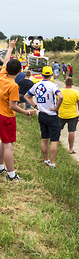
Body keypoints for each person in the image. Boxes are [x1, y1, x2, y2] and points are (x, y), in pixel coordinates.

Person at [0, 40, 36, 181]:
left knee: (2, 142)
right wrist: (27, 112)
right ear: (20, 71)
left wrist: (10, 48)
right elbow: (13, 106)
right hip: (7, 117)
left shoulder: (2, 76)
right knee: (8, 145)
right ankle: (12, 175)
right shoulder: (13, 86)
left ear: (7, 69)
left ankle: (1, 167)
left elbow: (6, 62)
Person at [24, 66, 63, 169]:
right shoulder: (53, 85)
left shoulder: (36, 85)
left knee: (44, 138)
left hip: (41, 114)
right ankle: (52, 163)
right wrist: (56, 107)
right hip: (52, 115)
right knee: (54, 140)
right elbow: (61, 96)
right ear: (51, 75)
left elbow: (26, 96)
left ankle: (46, 159)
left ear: (42, 75)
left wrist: (35, 106)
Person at [59, 77, 79, 154]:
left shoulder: (60, 91)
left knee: (58, 129)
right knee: (71, 131)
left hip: (61, 114)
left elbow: (56, 102)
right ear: (72, 84)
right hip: (72, 115)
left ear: (65, 83)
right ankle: (71, 149)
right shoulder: (76, 92)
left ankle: (55, 144)